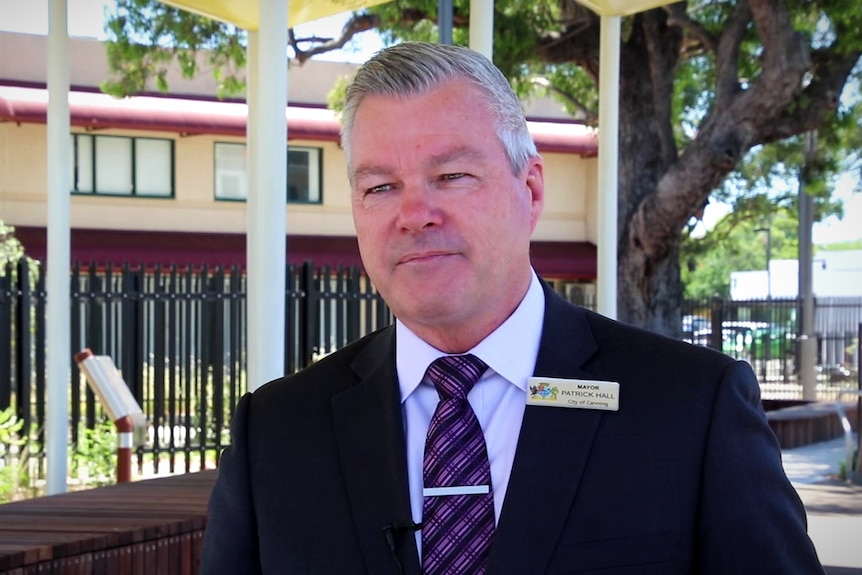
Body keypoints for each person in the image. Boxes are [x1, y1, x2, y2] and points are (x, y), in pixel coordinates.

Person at [200, 41, 824, 574]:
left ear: (529, 191)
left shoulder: (690, 407)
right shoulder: (276, 432)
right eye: (380, 187)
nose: (414, 215)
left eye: (451, 177)